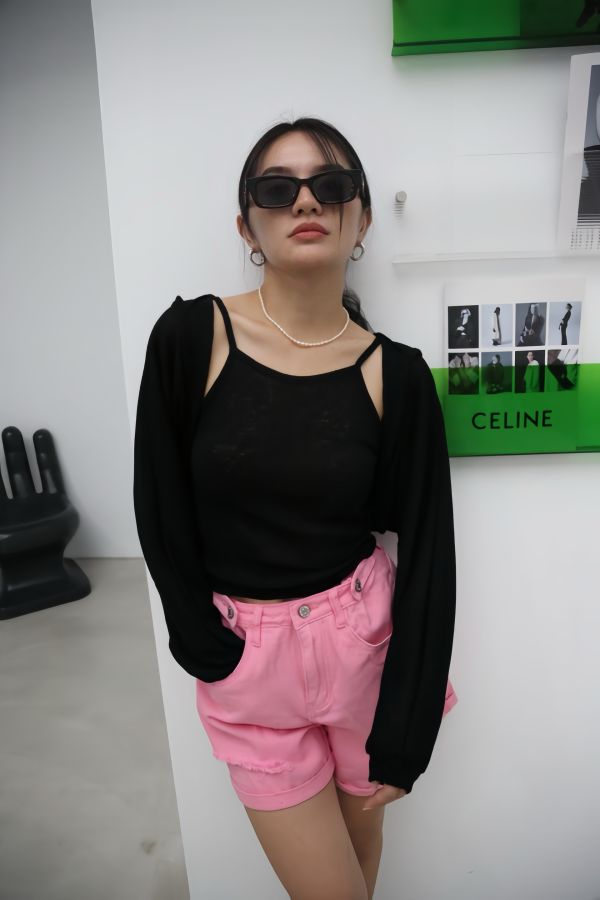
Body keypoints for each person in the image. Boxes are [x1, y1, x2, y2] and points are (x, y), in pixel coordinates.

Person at [133, 117, 457, 900]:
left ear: (361, 219)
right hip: (246, 663)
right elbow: (158, 497)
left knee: (358, 875)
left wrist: (407, 727)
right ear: (248, 225)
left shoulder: (397, 375)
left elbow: (429, 553)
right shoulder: (192, 336)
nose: (306, 201)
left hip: (362, 648)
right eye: (278, 189)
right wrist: (201, 640)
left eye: (331, 185)